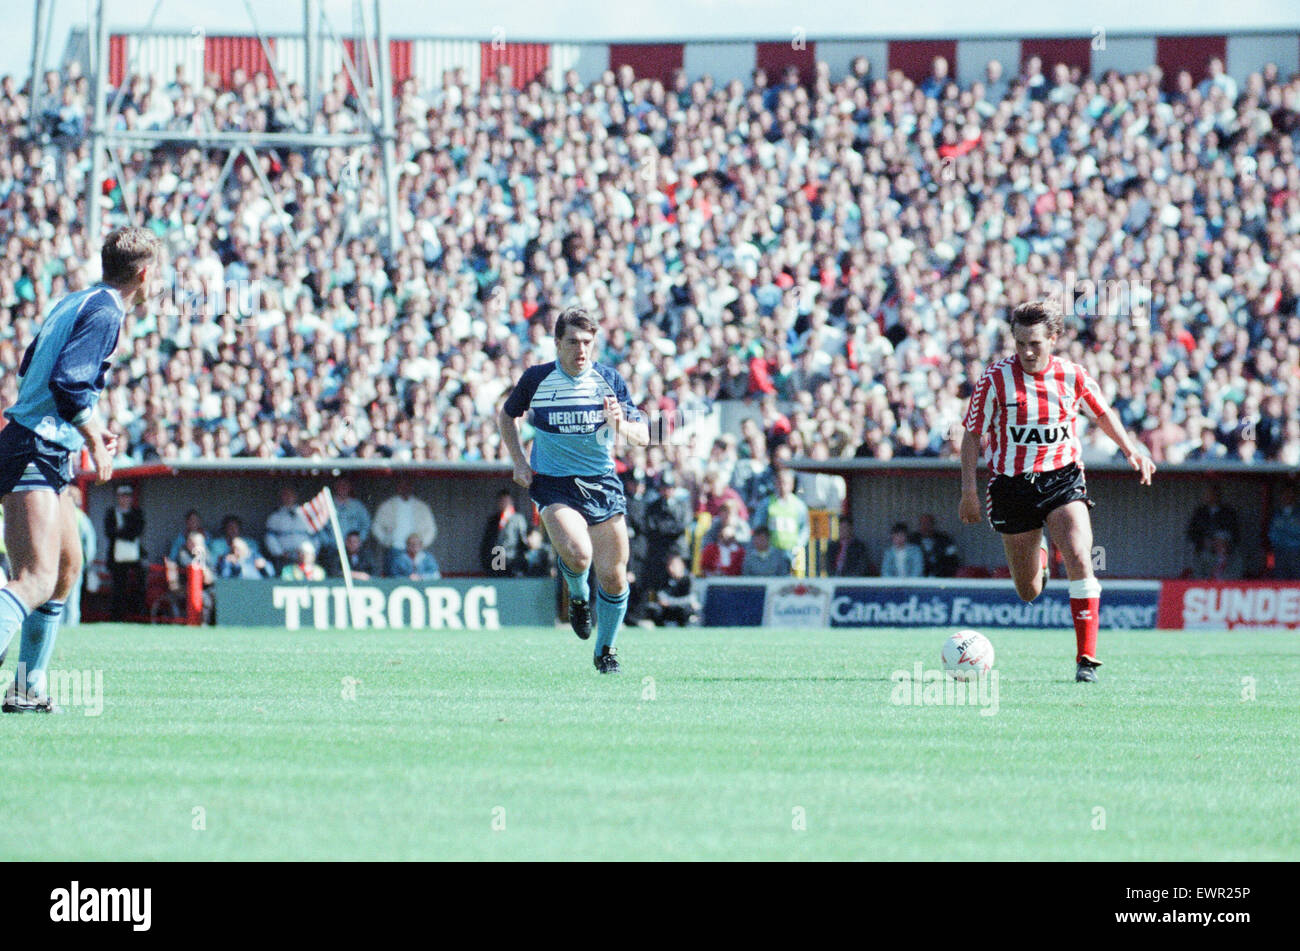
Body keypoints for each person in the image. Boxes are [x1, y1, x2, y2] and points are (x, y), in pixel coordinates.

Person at [0, 226, 160, 711]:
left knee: (66, 569)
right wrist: (95, 439)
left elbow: (34, 365)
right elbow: (68, 384)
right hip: (36, 446)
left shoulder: (78, 300)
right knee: (34, 578)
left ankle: (27, 687)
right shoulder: (108, 311)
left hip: (43, 444)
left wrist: (91, 425)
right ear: (146, 274)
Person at [959, 300, 1156, 683]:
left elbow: (1101, 412)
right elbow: (971, 435)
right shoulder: (995, 378)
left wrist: (1132, 450)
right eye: (1020, 344)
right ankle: (1042, 558)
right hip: (1011, 486)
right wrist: (968, 490)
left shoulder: (1072, 375)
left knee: (1081, 554)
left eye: (1035, 343)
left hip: (1061, 479)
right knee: (1029, 591)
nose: (1027, 352)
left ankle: (1086, 659)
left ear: (1054, 338)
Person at [498, 306, 649, 673]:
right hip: (554, 484)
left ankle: (606, 651)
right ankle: (579, 596)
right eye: (573, 342)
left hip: (601, 484)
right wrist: (519, 461)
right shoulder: (537, 379)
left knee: (614, 574)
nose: (581, 349)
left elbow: (645, 435)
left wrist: (619, 425)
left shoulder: (609, 380)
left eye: (587, 342)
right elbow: (507, 416)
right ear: (556, 343)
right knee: (579, 554)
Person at [372, 477, 436, 575]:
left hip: (415, 551)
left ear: (411, 487)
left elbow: (431, 529)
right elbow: (376, 527)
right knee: (393, 579)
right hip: (395, 550)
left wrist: (422, 544)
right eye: (402, 485)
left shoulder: (421, 506)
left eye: (407, 485)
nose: (405, 488)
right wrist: (386, 541)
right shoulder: (388, 505)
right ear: (398, 487)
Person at [753, 467, 810, 573]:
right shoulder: (766, 504)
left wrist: (798, 545)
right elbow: (759, 525)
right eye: (779, 482)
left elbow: (804, 528)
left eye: (786, 483)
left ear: (792, 484)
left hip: (792, 552)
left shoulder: (799, 505)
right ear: (775, 483)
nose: (782, 486)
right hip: (772, 552)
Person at [105, 483, 146, 622]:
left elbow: (137, 531)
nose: (125, 499)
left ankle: (137, 616)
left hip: (134, 558)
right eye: (122, 496)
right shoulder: (111, 513)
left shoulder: (137, 512)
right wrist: (125, 532)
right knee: (118, 588)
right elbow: (109, 532)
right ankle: (117, 617)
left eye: (127, 496)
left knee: (137, 586)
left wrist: (121, 532)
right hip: (117, 559)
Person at [64, 485, 96, 627]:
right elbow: (89, 542)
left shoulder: (58, 515)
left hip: (59, 561)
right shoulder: (81, 517)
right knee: (73, 596)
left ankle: (58, 625)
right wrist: (87, 562)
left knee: (57, 596)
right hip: (76, 561)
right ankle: (71, 624)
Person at [479, 489, 528, 575]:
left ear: (511, 502)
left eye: (506, 501)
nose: (503, 503)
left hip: (513, 561)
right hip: (496, 561)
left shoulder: (518, 519)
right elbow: (487, 542)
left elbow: (523, 540)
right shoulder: (493, 520)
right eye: (501, 501)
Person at [1186, 483, 1240, 558]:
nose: (1206, 496)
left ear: (1217, 495)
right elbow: (1191, 532)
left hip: (1224, 555)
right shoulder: (1199, 512)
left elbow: (1235, 532)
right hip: (1203, 553)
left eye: (1210, 494)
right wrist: (1202, 541)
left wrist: (1224, 541)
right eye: (1206, 494)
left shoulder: (1228, 512)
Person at [644, 554, 699, 626]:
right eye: (669, 565)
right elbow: (659, 594)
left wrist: (670, 602)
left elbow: (691, 599)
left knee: (689, 610)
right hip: (669, 609)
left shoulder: (689, 579)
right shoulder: (665, 578)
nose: (671, 568)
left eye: (674, 566)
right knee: (655, 609)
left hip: (683, 608)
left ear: (682, 565)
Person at [1269, 484, 1300, 580]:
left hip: (1296, 553)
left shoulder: (1298, 514)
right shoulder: (1276, 514)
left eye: (1290, 494)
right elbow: (1272, 534)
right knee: (1280, 577)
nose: (1287, 497)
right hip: (1279, 552)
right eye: (1285, 494)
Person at [913, 513, 960, 577]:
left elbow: (953, 560)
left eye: (928, 523)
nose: (926, 527)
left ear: (933, 525)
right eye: (923, 524)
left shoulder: (945, 540)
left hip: (941, 577)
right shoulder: (912, 540)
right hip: (919, 578)